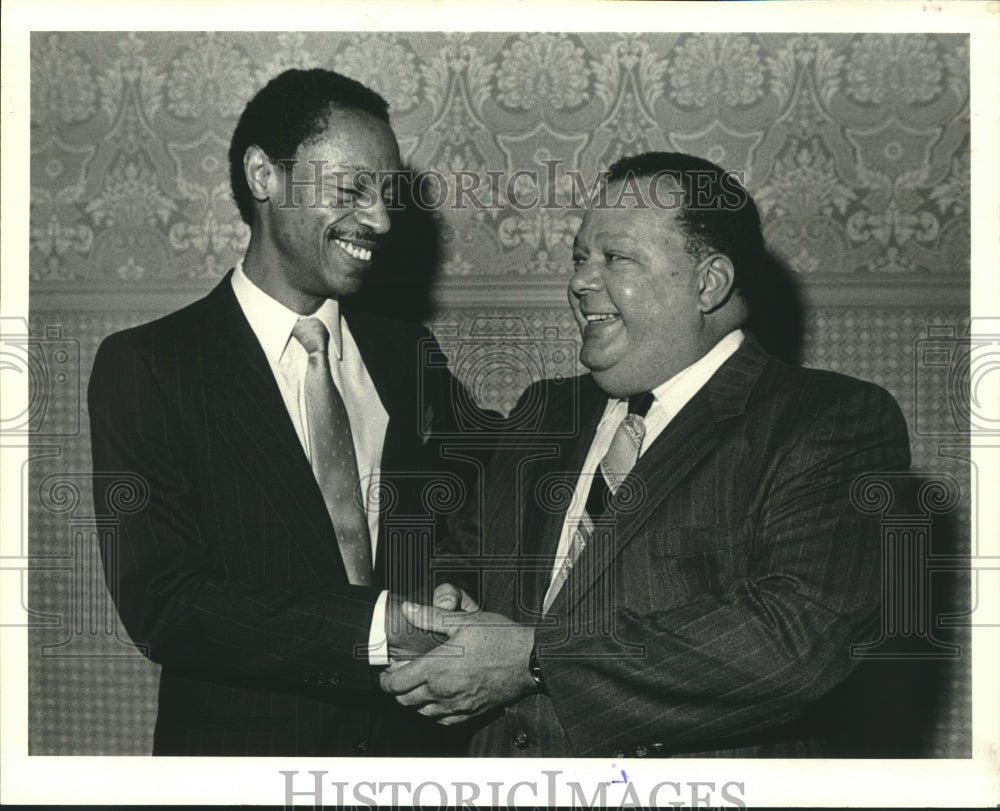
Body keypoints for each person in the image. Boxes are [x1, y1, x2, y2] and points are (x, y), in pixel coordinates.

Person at [380, 152, 913, 757]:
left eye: (617, 258)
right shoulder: (540, 414)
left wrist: (534, 659)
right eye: (580, 257)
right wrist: (448, 594)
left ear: (709, 283)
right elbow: (469, 555)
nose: (581, 281)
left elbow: (796, 641)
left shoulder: (827, 421)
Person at [88, 68, 472, 756]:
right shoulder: (149, 365)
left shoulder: (406, 349)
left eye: (386, 195)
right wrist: (381, 627)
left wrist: (452, 587)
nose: (380, 220)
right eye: (351, 189)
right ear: (263, 175)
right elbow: (165, 603)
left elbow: (464, 508)